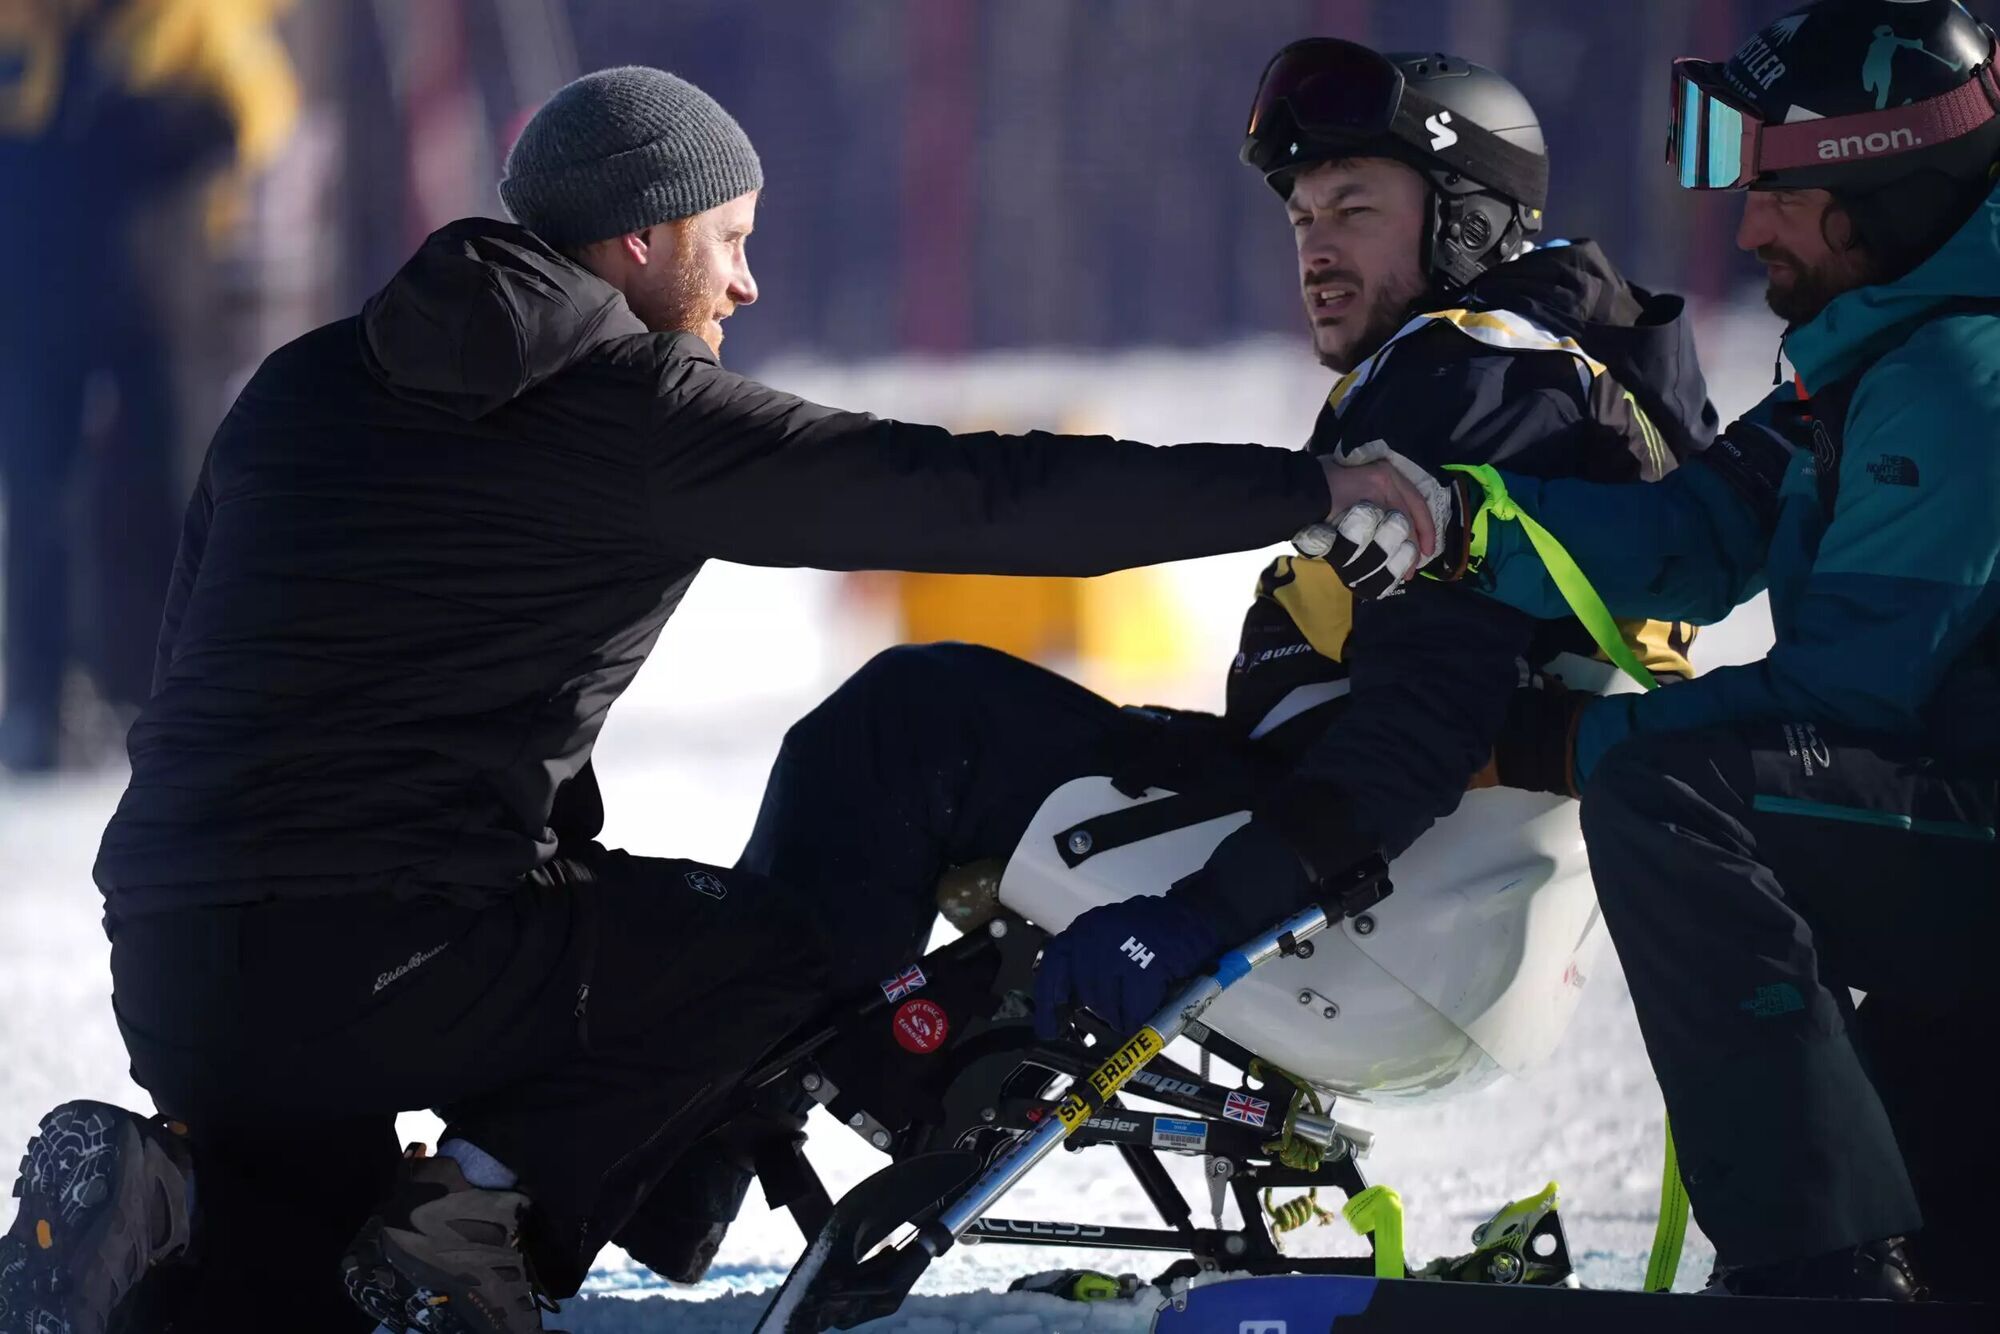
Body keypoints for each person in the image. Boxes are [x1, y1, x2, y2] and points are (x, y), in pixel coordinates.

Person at [0, 66, 1435, 1334]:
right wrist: (1305, 487)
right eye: (730, 242)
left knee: (296, 1283)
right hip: (388, 950)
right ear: (639, 237)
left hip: (176, 960)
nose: (746, 286)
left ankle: (169, 1184)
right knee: (787, 943)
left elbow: (201, 666)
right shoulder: (635, 411)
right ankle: (484, 1205)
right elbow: (980, 495)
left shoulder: (304, 384)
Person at [727, 35, 1712, 1281]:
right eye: (1302, 213)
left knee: (907, 724)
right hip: (1464, 930)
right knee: (974, 710)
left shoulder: (1467, 377)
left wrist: (1198, 919)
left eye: (1355, 206)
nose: (1313, 245)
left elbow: (1423, 725)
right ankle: (823, 1081)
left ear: (1467, 222)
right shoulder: (1564, 372)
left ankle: (720, 1118)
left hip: (1377, 918)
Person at [1317, 0, 2000, 1301]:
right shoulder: (1876, 349)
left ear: (1881, 187)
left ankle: (1819, 1266)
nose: (1747, 228)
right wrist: (1463, 522)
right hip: (1963, 850)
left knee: (1679, 789)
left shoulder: (1963, 379)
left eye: (1778, 196)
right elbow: (1694, 534)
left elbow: (1849, 704)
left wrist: (1551, 745)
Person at [0, 0, 298, 774]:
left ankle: (175, 693)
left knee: (169, 487)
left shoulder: (192, 22)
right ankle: (42, 701)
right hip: (41, 281)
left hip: (153, 279)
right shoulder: (26, 30)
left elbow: (261, 110)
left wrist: (178, 133)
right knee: (42, 497)